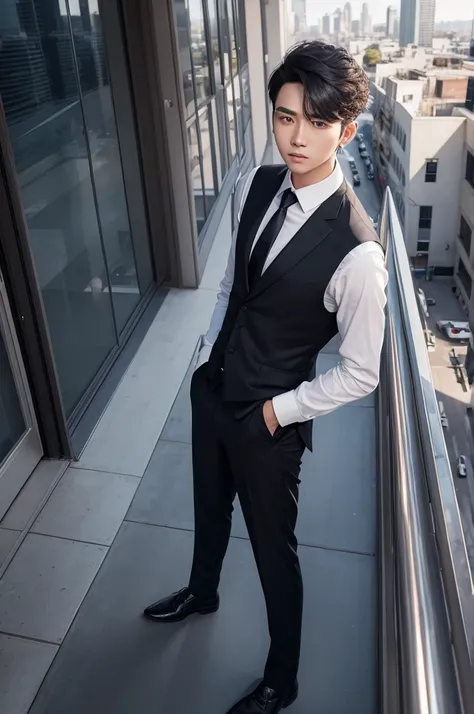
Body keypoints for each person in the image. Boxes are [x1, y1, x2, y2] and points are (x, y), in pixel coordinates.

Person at [143, 40, 388, 714]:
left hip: (268, 422)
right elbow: (232, 286)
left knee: (276, 557)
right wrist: (202, 362)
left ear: (346, 128)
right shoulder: (257, 183)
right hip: (213, 391)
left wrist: (281, 412)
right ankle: (202, 590)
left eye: (316, 121)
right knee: (207, 508)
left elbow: (362, 373)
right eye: (285, 117)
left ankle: (283, 681)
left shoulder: (360, 252)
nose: (297, 136)